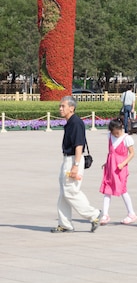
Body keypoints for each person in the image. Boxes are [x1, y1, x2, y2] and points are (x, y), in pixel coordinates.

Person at [52, 97, 102, 233]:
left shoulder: (76, 123)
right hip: (68, 160)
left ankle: (94, 214)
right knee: (64, 193)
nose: (60, 109)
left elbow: (79, 145)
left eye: (63, 106)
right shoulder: (70, 122)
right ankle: (65, 224)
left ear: (71, 108)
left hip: (73, 160)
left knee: (71, 192)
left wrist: (76, 165)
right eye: (60, 106)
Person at [98, 117, 137, 225]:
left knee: (123, 191)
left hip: (120, 169)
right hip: (111, 167)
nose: (116, 134)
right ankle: (105, 214)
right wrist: (107, 163)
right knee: (107, 190)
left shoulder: (126, 138)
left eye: (117, 132)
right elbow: (111, 153)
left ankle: (131, 213)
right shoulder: (109, 136)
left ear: (121, 128)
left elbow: (132, 153)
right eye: (114, 133)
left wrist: (123, 163)